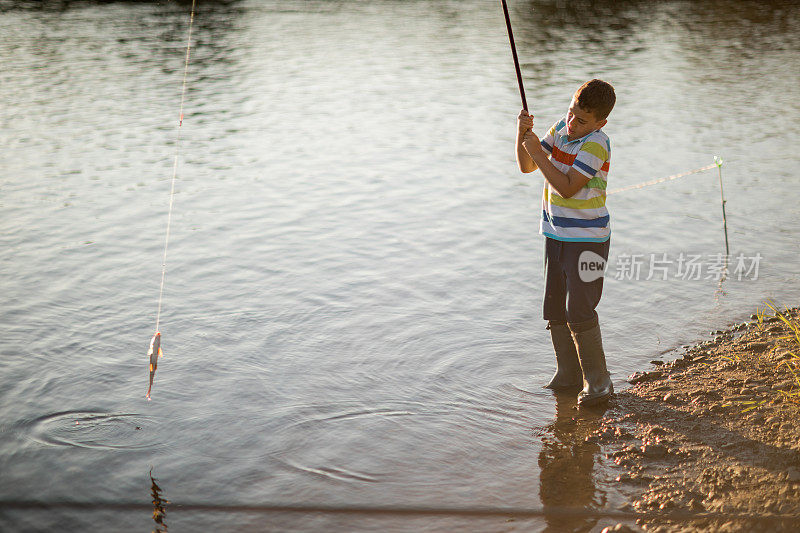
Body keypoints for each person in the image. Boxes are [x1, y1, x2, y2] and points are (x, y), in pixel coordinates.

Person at [515, 79, 616, 406]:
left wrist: (536, 153)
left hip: (588, 239)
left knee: (579, 309)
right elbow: (527, 165)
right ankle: (568, 376)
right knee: (555, 307)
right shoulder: (560, 128)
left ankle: (599, 384)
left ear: (600, 122)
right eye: (571, 112)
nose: (572, 123)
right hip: (555, 233)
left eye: (582, 120)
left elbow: (568, 187)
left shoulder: (597, 143)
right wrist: (523, 134)